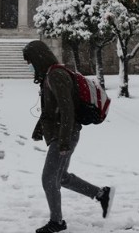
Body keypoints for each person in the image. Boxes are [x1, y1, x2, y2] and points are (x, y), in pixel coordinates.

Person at [24, 40, 114, 233]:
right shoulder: (50, 74)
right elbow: (53, 109)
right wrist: (40, 130)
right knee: (61, 177)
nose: (29, 66)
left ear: (37, 58)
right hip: (63, 133)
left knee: (49, 178)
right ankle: (101, 194)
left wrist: (63, 141)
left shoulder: (56, 75)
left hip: (64, 134)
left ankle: (57, 222)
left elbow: (66, 109)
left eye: (29, 61)